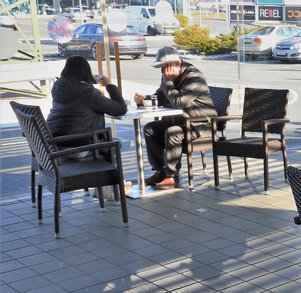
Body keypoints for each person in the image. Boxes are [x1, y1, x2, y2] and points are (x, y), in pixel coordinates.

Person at [135, 46, 216, 190]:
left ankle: (170, 175)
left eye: (164, 66)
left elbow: (179, 102)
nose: (162, 71)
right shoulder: (169, 77)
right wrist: (145, 99)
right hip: (181, 122)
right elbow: (161, 95)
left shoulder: (194, 76)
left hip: (202, 125)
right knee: (150, 128)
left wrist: (167, 82)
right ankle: (160, 171)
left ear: (177, 63)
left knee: (173, 132)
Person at [47, 55, 127, 144]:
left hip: (53, 141)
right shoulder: (88, 93)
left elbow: (73, 83)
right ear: (86, 72)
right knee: (116, 142)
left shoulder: (57, 87)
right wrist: (109, 86)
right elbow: (120, 109)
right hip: (78, 143)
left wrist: (90, 80)